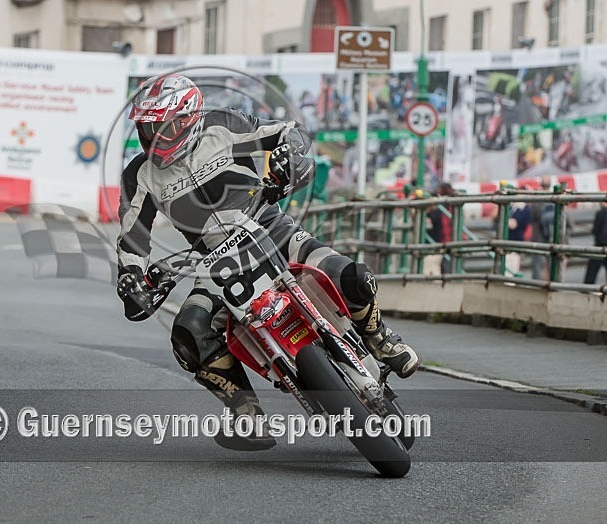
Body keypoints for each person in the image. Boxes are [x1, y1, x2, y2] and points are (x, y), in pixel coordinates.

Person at [115, 74, 420, 451]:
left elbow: (289, 131)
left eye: (163, 127)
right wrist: (131, 275)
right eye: (147, 128)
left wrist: (288, 156)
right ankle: (245, 412)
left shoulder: (224, 125)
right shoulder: (139, 175)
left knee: (351, 275)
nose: (153, 136)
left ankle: (379, 339)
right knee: (189, 330)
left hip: (272, 229)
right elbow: (132, 235)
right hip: (215, 264)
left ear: (189, 118)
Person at [425, 182, 454, 275]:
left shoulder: (439, 211)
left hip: (441, 240)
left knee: (440, 264)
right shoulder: (450, 206)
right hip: (446, 239)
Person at [584, 201, 607, 285]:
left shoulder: (600, 213)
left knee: (591, 272)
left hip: (600, 245)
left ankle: (587, 288)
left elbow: (595, 230)